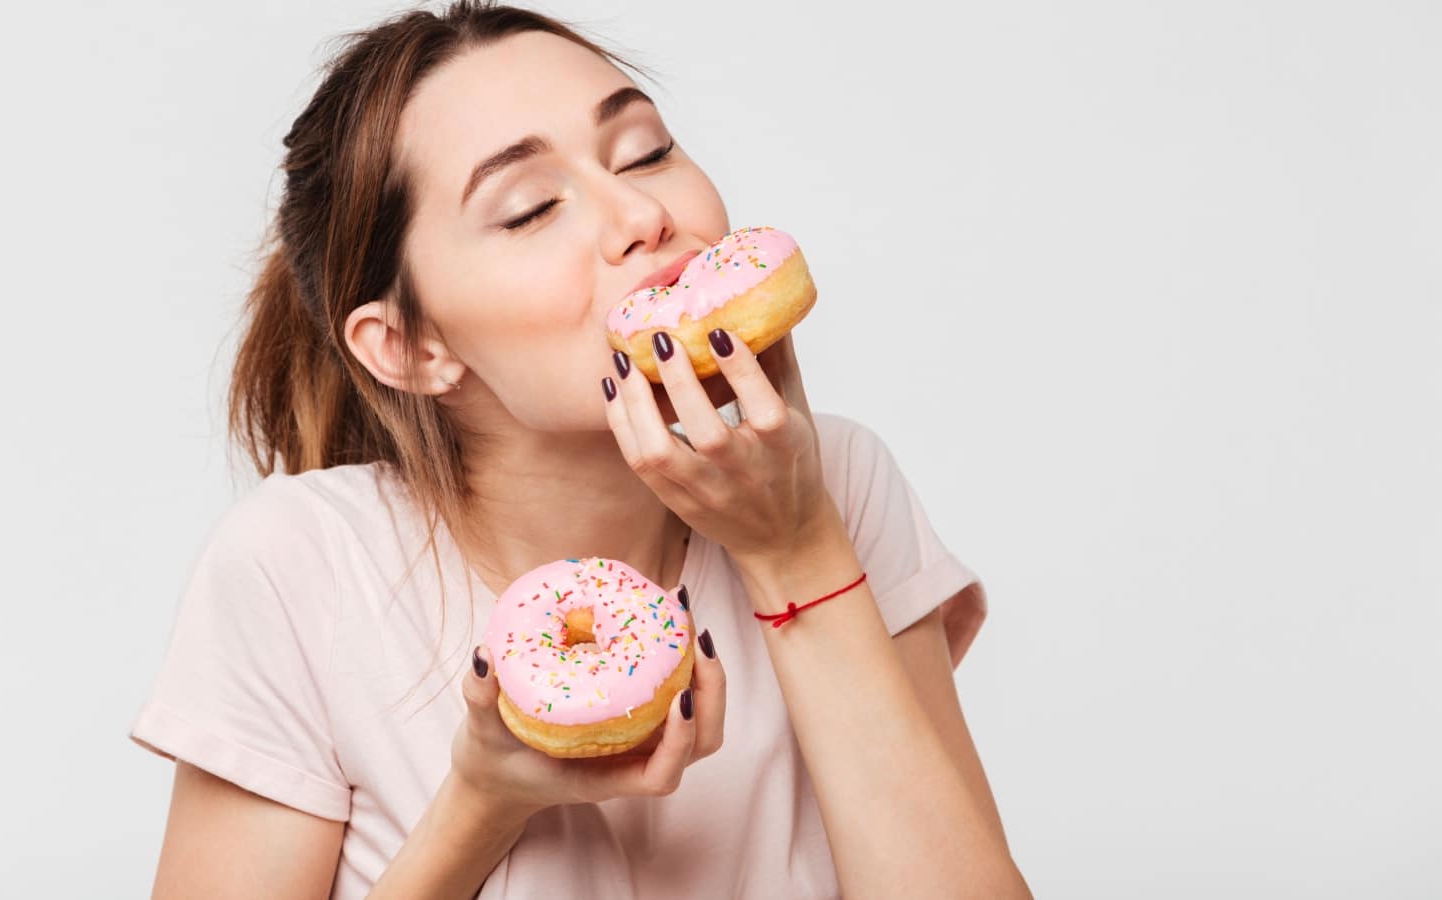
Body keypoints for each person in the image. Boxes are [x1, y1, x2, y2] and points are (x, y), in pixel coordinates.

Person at [128, 2, 1029, 897]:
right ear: (410, 347)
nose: (642, 213)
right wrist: (481, 804)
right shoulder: (302, 568)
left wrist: (795, 550)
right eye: (529, 210)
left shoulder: (836, 482)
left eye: (646, 152)